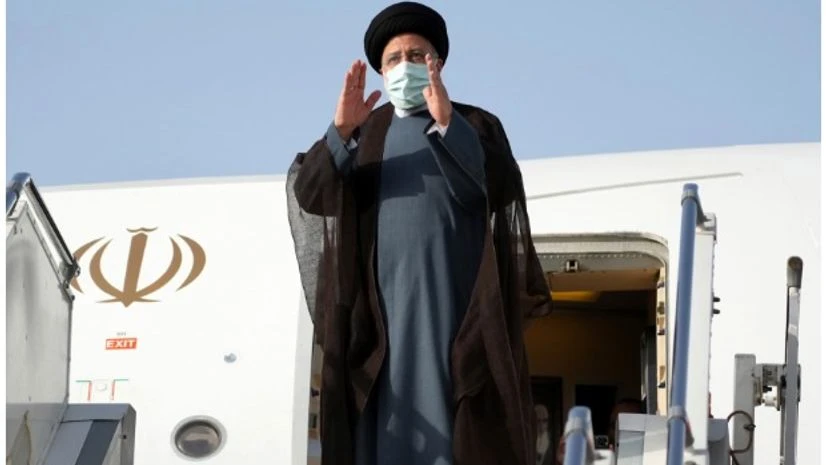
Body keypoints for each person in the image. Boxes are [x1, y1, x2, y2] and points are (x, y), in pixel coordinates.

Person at [286, 2, 552, 465]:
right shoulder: (364, 133)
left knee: (460, 425)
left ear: (438, 64)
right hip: (380, 322)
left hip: (456, 313)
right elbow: (310, 195)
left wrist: (447, 123)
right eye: (394, 58)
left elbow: (499, 189)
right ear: (380, 70)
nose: (405, 65)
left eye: (416, 55)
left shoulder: (475, 123)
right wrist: (340, 131)